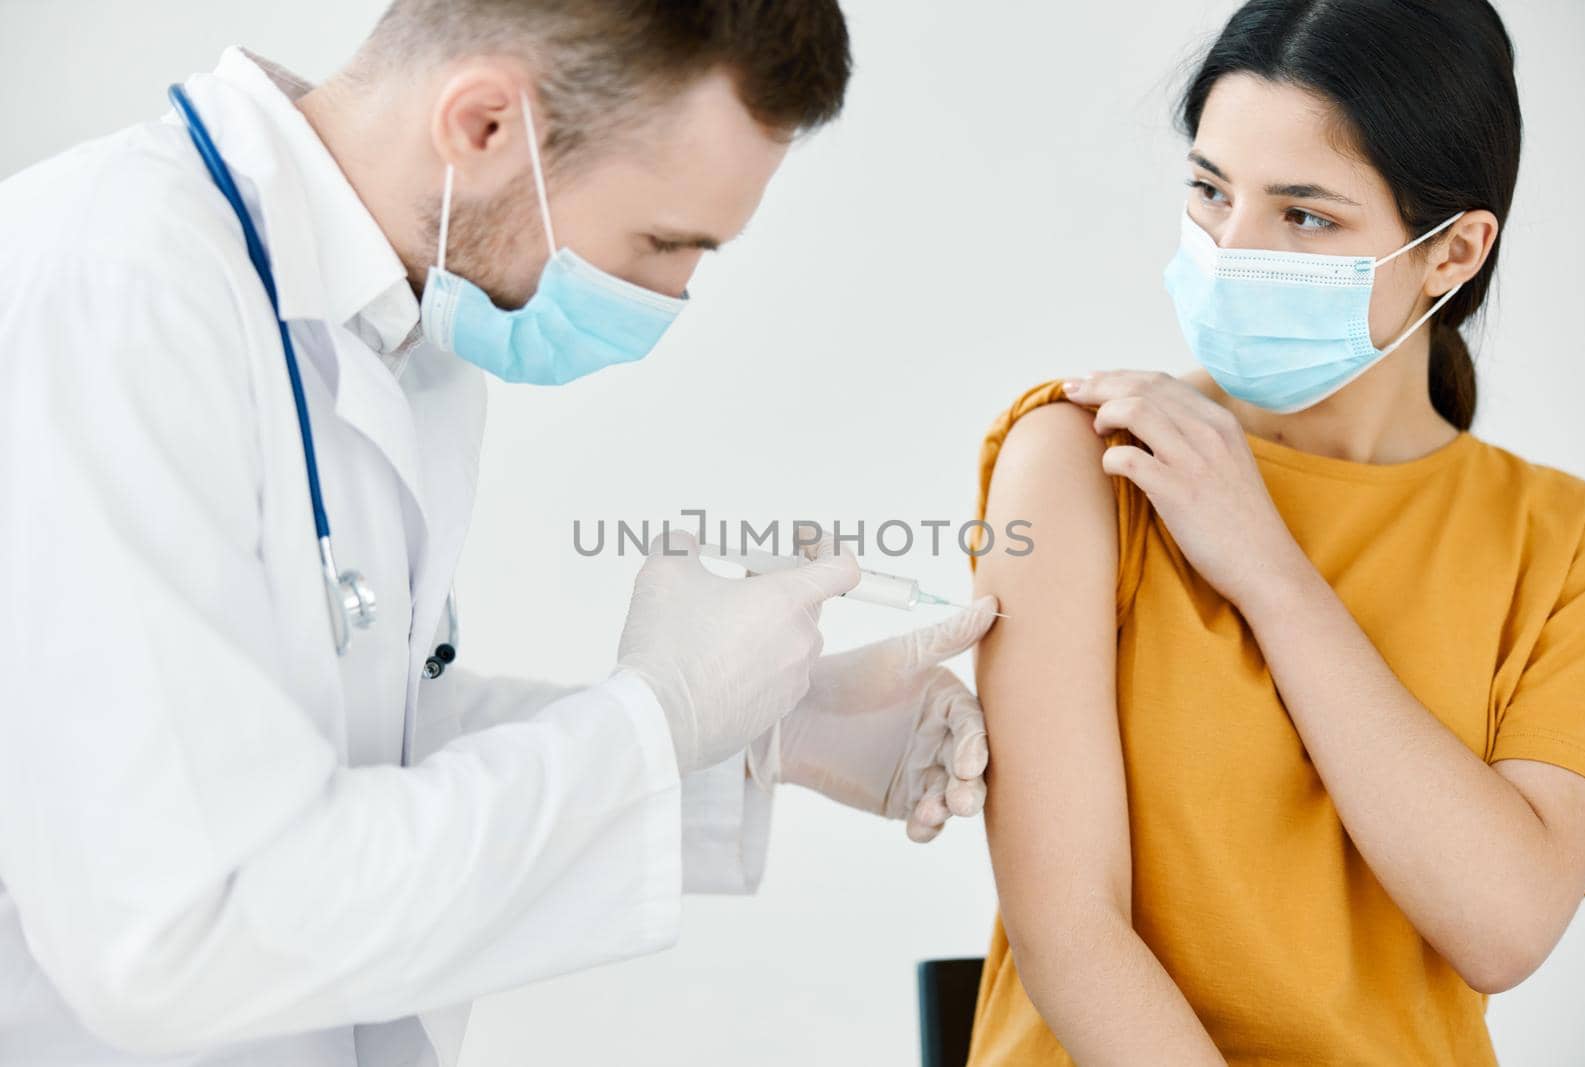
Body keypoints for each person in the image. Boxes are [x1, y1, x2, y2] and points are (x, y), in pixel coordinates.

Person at [0, 3, 998, 1065]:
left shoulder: (407, 337)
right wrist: (655, 719)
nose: (669, 298)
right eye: (663, 241)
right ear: (481, 124)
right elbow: (185, 926)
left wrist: (751, 740)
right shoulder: (113, 289)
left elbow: (363, 744)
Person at [966, 0, 1585, 1062]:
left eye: (1303, 216)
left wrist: (1266, 567)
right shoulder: (1082, 457)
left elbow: (1502, 921)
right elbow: (1067, 927)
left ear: (1450, 253)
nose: (1229, 250)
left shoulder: (1566, 539)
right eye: (1211, 192)